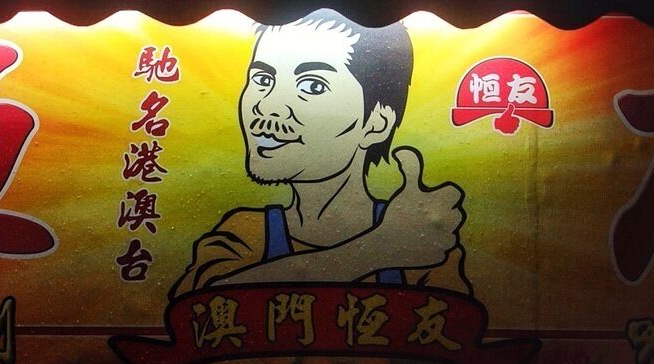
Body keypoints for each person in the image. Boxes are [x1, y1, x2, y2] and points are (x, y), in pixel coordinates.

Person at [170, 8, 471, 297]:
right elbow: (194, 313)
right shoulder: (246, 235)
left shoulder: (421, 244)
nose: (268, 106)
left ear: (376, 123)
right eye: (263, 80)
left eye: (312, 86)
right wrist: (379, 249)